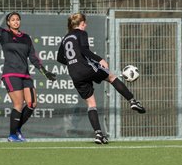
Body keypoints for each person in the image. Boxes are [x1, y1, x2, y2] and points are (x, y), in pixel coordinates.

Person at [57, 13, 146, 144]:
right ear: (81, 23)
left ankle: (98, 134)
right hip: (86, 68)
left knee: (91, 104)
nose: (85, 25)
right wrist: (100, 59)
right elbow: (84, 50)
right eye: (84, 23)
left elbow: (59, 58)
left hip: (74, 73)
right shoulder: (81, 33)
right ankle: (132, 101)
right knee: (111, 77)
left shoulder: (65, 38)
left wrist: (73, 63)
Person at [0, 0, 56, 142]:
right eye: (13, 19)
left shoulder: (26, 38)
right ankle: (12, 135)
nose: (16, 21)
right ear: (8, 22)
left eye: (17, 19)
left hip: (25, 75)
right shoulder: (3, 34)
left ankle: (16, 129)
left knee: (32, 104)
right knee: (18, 103)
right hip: (11, 74)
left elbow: (33, 57)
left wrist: (44, 71)